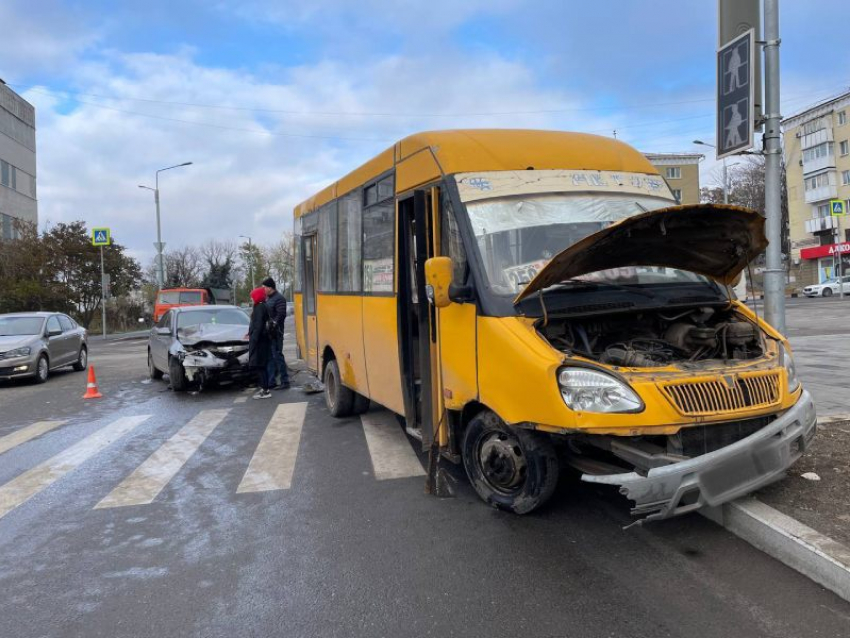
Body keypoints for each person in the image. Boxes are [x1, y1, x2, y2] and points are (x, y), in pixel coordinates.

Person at [262, 276, 290, 390]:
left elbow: (281, 315)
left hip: (276, 333)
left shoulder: (279, 298)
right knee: (270, 357)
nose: (263, 289)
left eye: (264, 287)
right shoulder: (268, 299)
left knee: (277, 355)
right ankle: (271, 381)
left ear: (270, 287)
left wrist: (274, 324)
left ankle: (285, 381)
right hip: (269, 332)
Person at [248, 287, 273, 399]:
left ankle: (265, 390)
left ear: (256, 297)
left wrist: (253, 338)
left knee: (259, 366)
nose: (251, 299)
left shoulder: (259, 307)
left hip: (259, 342)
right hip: (263, 340)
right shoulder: (264, 306)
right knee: (262, 365)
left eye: (252, 297)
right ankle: (265, 389)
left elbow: (258, 326)